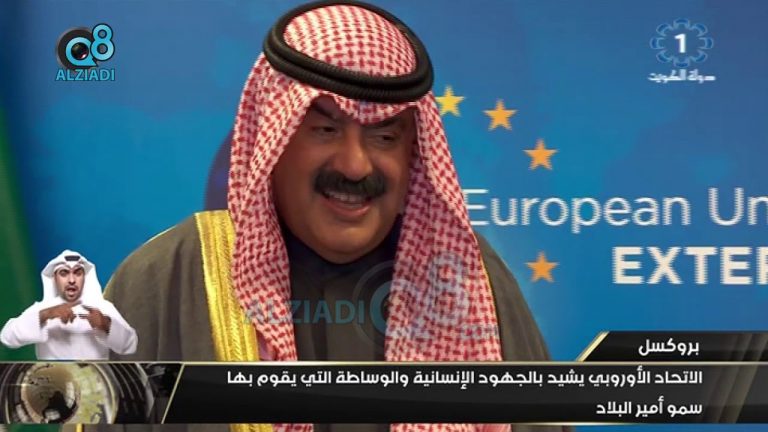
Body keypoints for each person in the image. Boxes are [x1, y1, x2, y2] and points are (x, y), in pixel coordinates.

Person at [104, 1, 560, 431]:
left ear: (414, 153)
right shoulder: (170, 277)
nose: (354, 166)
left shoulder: (470, 280)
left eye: (384, 137)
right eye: (325, 129)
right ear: (273, 138)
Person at [0, 250, 138, 360]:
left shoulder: (103, 308)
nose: (72, 280)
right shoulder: (42, 309)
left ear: (84, 277)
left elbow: (130, 345)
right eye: (64, 273)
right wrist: (46, 315)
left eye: (77, 273)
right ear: (54, 278)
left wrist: (105, 324)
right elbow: (7, 338)